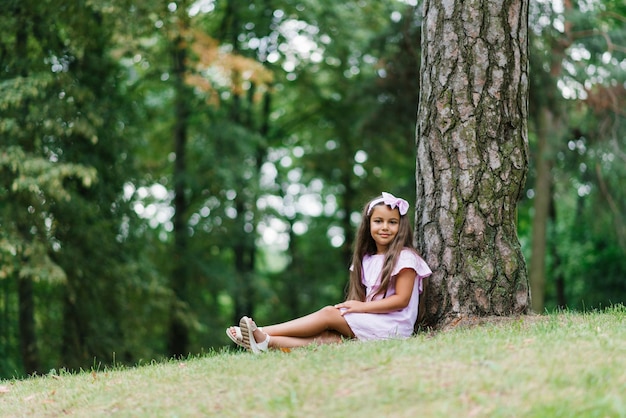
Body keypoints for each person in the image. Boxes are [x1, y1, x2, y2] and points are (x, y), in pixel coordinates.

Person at [226, 192, 432, 353]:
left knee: (328, 314)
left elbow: (401, 300)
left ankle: (261, 331)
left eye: (392, 222)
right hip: (374, 323)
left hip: (393, 326)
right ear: (368, 225)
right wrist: (360, 307)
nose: (385, 227)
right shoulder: (366, 260)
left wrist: (360, 307)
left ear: (401, 226)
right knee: (329, 338)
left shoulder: (406, 257)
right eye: (378, 221)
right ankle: (264, 342)